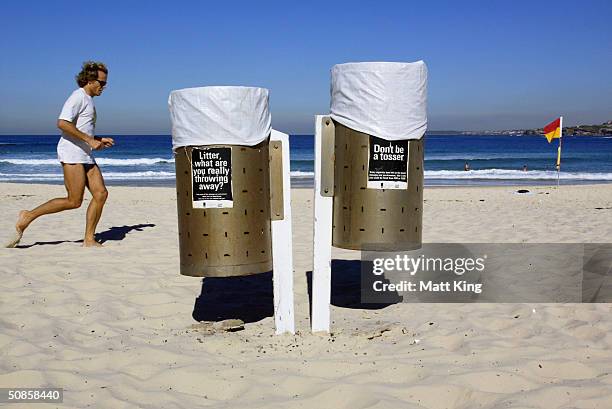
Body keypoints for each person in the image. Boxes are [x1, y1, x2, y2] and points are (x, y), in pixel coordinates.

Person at [6, 61, 114, 248]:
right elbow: (63, 123)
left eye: (105, 83)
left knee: (101, 194)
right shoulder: (77, 97)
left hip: (85, 153)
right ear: (89, 79)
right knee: (74, 201)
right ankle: (28, 216)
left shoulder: (88, 100)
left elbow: (79, 128)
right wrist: (90, 141)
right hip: (72, 153)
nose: (103, 87)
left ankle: (89, 239)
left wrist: (97, 138)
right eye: (101, 83)